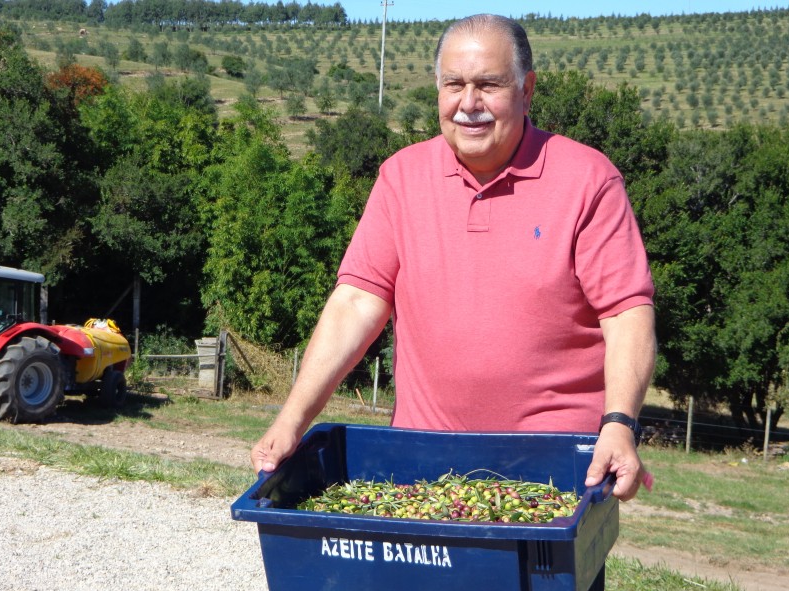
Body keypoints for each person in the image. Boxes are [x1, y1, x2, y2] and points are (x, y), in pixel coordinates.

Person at [251, 14, 656, 501]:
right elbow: (357, 301)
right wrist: (292, 418)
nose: (469, 104)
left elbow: (626, 313)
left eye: (489, 85)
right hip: (420, 472)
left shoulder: (589, 180)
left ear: (527, 90)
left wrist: (618, 425)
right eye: (454, 85)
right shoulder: (401, 178)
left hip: (553, 479)